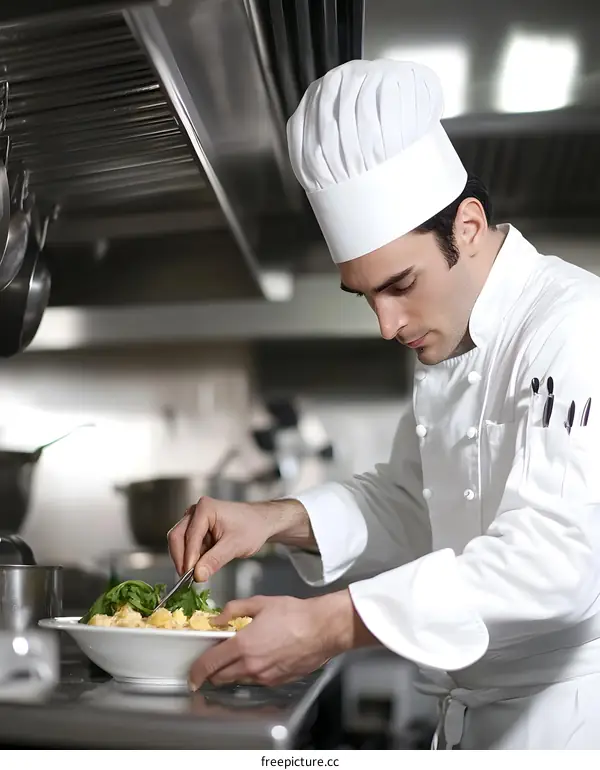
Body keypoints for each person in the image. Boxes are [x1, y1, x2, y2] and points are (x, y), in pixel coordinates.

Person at [167, 59, 600, 749]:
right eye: (367, 296)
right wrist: (276, 519)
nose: (386, 325)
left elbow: (556, 563)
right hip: (465, 723)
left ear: (468, 225)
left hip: (565, 730)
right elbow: (413, 505)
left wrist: (332, 625)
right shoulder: (453, 345)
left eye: (400, 284)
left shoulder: (573, 325)